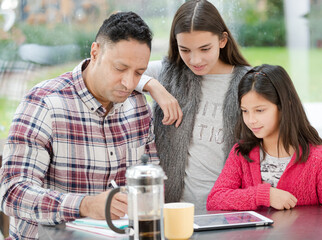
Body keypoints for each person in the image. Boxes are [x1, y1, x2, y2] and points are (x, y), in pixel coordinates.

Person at [0, 11, 158, 239]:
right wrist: (85, 205)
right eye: (120, 69)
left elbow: (150, 184)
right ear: (95, 52)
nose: (129, 82)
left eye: (139, 73)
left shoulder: (138, 104)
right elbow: (13, 193)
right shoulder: (45, 103)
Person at [137, 0, 251, 213]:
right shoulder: (168, 73)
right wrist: (154, 87)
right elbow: (109, 71)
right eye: (185, 49)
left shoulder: (248, 81)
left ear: (223, 40)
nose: (195, 59)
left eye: (205, 48)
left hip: (230, 213)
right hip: (174, 213)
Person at [206, 64, 322, 214]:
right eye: (245, 111)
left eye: (259, 110)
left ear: (284, 106)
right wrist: (264, 195)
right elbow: (215, 199)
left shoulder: (319, 159)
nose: (251, 120)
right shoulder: (241, 153)